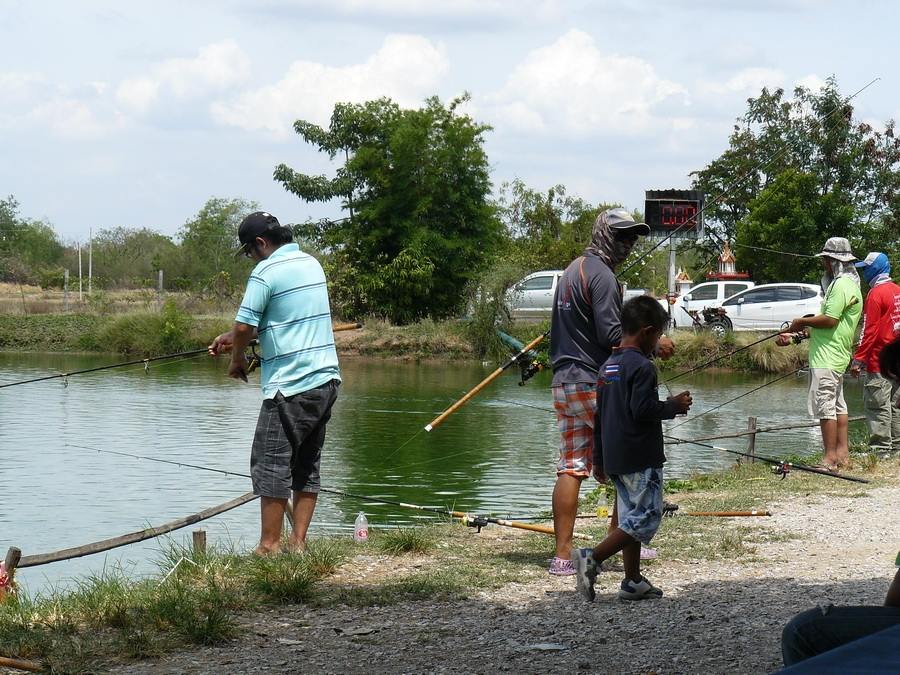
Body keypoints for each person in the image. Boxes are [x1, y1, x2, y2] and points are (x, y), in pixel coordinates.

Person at [547, 207, 674, 576]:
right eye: (622, 236)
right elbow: (610, 334)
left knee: (572, 465)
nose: (629, 244)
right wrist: (654, 344)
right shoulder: (602, 275)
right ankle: (624, 540)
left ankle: (561, 555)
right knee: (626, 460)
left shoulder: (573, 270)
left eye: (632, 237)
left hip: (564, 380)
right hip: (594, 381)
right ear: (604, 234)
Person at [208, 211, 341, 555]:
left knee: (270, 462)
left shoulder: (266, 271)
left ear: (261, 244)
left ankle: (269, 547)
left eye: (250, 251)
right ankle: (298, 544)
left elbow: (243, 328)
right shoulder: (311, 263)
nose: (251, 258)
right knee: (306, 464)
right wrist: (230, 338)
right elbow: (275, 321)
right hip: (325, 380)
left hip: (290, 385)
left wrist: (237, 360)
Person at [571, 295, 692, 601]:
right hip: (640, 456)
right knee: (647, 515)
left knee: (629, 518)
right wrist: (673, 406)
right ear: (648, 332)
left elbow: (599, 419)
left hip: (615, 457)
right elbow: (643, 409)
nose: (658, 343)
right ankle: (592, 558)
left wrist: (598, 460)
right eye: (659, 335)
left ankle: (633, 580)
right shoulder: (643, 367)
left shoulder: (607, 368)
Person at [777, 237, 862, 469]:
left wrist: (798, 322)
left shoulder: (841, 285)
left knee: (826, 407)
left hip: (828, 356)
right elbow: (830, 327)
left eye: (826, 259)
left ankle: (829, 458)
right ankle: (842, 455)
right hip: (835, 353)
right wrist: (796, 336)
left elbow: (829, 320)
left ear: (834, 261)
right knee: (837, 405)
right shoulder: (850, 285)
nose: (824, 263)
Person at [848, 252, 900, 454]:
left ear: (875, 269)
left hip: (880, 361)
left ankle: (880, 449)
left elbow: (869, 331)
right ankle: (896, 447)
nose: (863, 273)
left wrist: (858, 359)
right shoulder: (897, 290)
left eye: (865, 269)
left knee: (877, 405)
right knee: (896, 406)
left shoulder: (875, 294)